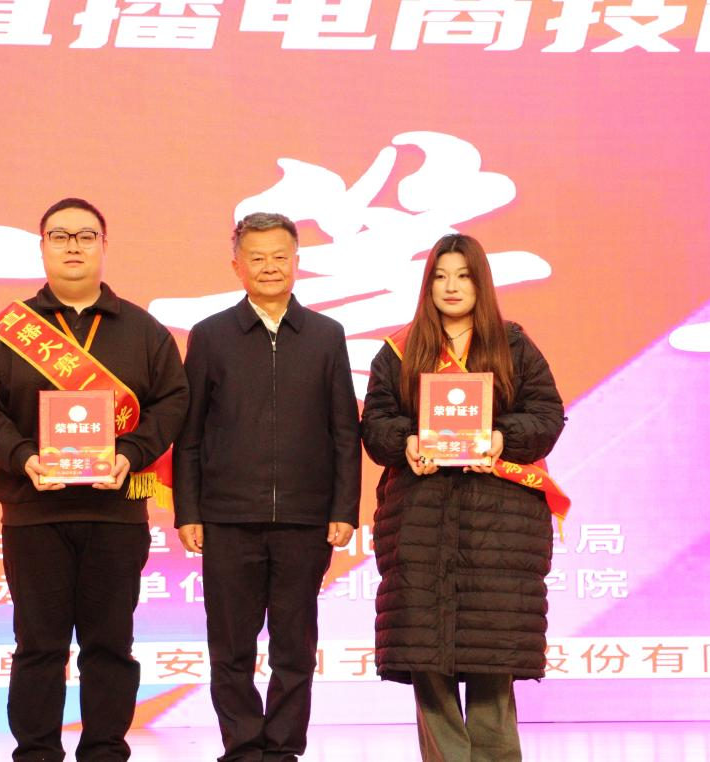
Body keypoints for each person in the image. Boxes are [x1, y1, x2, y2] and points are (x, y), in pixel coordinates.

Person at [0, 197, 189, 762]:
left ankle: (105, 751)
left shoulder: (142, 329)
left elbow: (173, 401)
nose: (73, 246)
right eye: (59, 236)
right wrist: (22, 456)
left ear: (104, 246)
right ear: (42, 247)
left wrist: (131, 453)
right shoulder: (9, 331)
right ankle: (36, 753)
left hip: (116, 514)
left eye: (86, 236)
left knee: (110, 645)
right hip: (34, 512)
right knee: (39, 646)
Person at [360, 233, 566, 762]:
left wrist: (500, 438)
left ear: (481, 283)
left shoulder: (513, 346)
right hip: (420, 525)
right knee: (428, 664)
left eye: (464, 276)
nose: (451, 287)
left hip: (498, 527)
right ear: (427, 285)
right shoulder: (399, 351)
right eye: (440, 277)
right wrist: (406, 442)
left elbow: (547, 416)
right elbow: (375, 423)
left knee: (492, 660)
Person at [173, 212, 361, 762]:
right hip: (227, 518)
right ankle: (242, 747)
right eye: (257, 257)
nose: (270, 267)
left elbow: (344, 432)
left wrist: (344, 508)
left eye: (280, 256)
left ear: (297, 262)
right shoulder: (210, 336)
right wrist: (189, 510)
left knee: (294, 647)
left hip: (305, 519)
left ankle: (282, 749)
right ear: (237, 265)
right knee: (230, 647)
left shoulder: (326, 335)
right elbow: (189, 435)